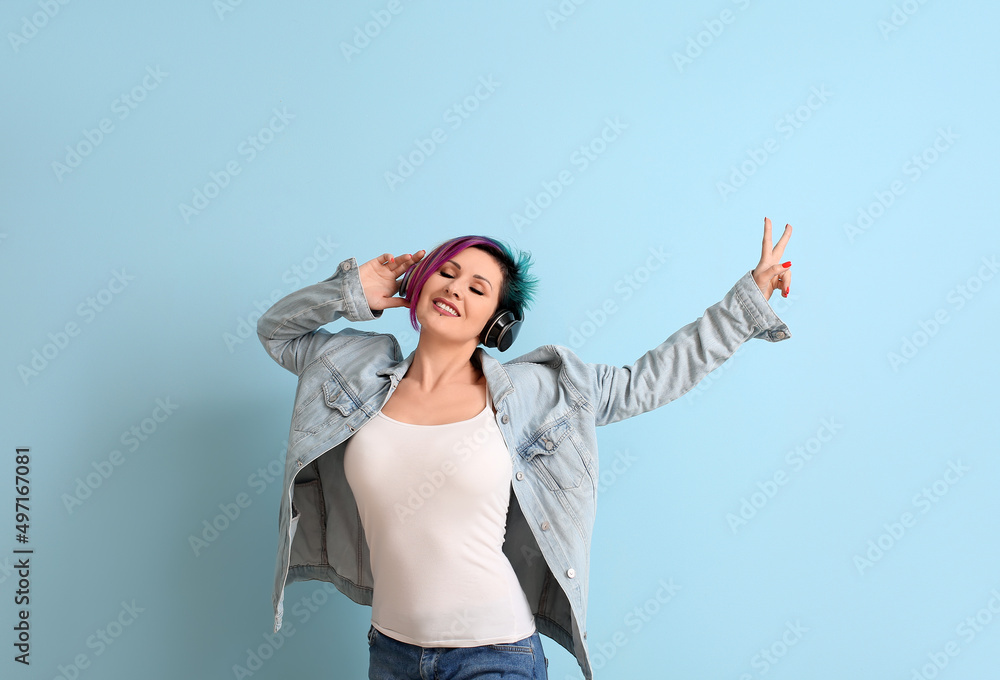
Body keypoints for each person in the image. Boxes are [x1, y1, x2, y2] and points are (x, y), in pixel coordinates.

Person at [256, 219, 793, 680]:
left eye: (478, 287)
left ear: (498, 322)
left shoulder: (535, 392)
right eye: (447, 272)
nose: (455, 289)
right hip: (391, 652)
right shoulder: (356, 371)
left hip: (496, 653)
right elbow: (276, 333)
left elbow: (644, 380)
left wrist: (745, 304)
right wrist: (352, 291)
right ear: (418, 283)